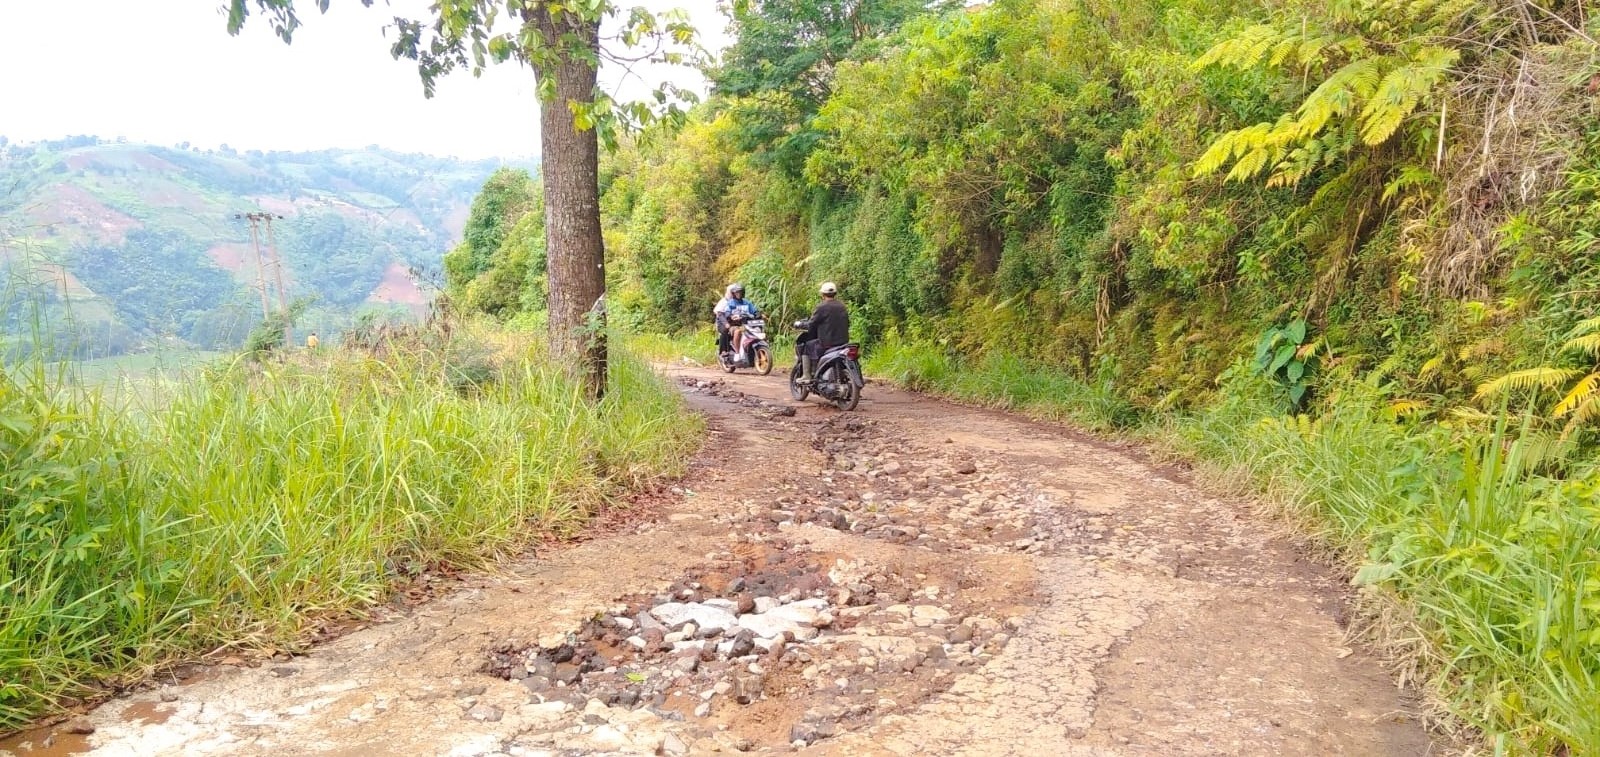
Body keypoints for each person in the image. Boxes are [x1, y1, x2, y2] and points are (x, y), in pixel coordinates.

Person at [799, 281, 849, 385]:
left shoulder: (822, 307)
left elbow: (811, 324)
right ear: (835, 293)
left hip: (827, 344)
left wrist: (801, 325)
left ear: (822, 295)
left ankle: (806, 375)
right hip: (843, 343)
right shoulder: (842, 306)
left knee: (807, 346)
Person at [713, 283, 760, 358]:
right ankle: (736, 353)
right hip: (731, 324)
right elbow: (724, 313)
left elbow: (754, 311)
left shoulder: (747, 302)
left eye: (740, 292)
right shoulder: (728, 303)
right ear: (733, 293)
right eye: (736, 292)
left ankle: (750, 352)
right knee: (735, 332)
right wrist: (731, 317)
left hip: (745, 324)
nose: (739, 294)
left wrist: (758, 314)